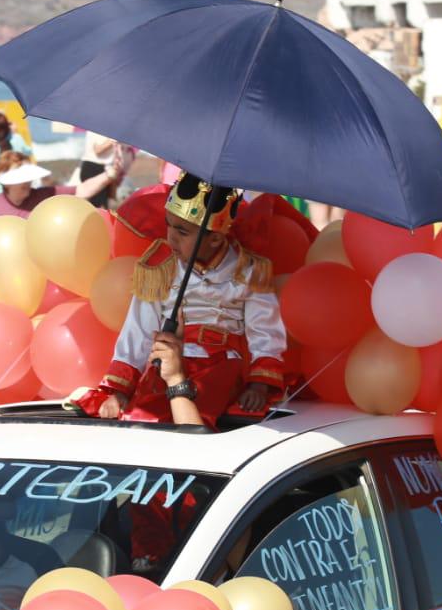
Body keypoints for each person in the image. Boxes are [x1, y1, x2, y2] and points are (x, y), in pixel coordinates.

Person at [79, 173, 287, 427]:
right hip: (165, 362)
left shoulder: (249, 270)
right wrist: (119, 389)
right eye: (168, 225)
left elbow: (264, 331)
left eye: (182, 231)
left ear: (215, 238)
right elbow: (139, 330)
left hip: (220, 368)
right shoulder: (160, 266)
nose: (171, 238)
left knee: (194, 426)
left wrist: (259, 385)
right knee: (141, 421)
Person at [0, 152, 121, 235]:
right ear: (7, 183)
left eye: (29, 178)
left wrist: (110, 174)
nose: (28, 183)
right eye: (23, 179)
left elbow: (81, 190)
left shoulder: (44, 196)